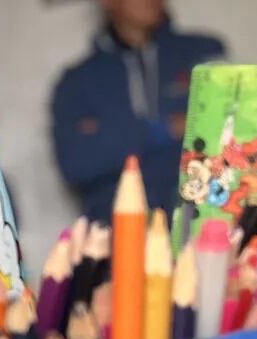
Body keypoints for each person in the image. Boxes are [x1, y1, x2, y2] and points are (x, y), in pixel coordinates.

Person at [51, 0, 224, 221]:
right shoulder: (77, 81)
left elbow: (227, 136)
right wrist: (164, 129)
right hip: (116, 235)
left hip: (200, 228)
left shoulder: (203, 53)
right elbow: (76, 164)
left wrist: (110, 136)